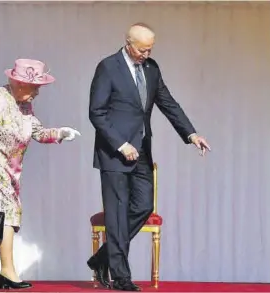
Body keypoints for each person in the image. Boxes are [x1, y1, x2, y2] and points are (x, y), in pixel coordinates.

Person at [87, 23, 211, 291]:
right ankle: (121, 277)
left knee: (143, 206)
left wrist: (191, 134)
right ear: (128, 43)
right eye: (142, 49)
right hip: (115, 153)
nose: (146, 54)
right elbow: (96, 112)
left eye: (150, 49)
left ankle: (103, 257)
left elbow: (167, 103)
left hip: (142, 149)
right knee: (117, 215)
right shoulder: (108, 67)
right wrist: (120, 145)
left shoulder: (152, 68)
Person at [0, 59, 81, 289]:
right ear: (21, 84)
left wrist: (60, 132)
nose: (38, 92)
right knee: (8, 214)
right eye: (36, 87)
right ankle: (8, 272)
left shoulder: (25, 105)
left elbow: (38, 133)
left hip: (11, 171)